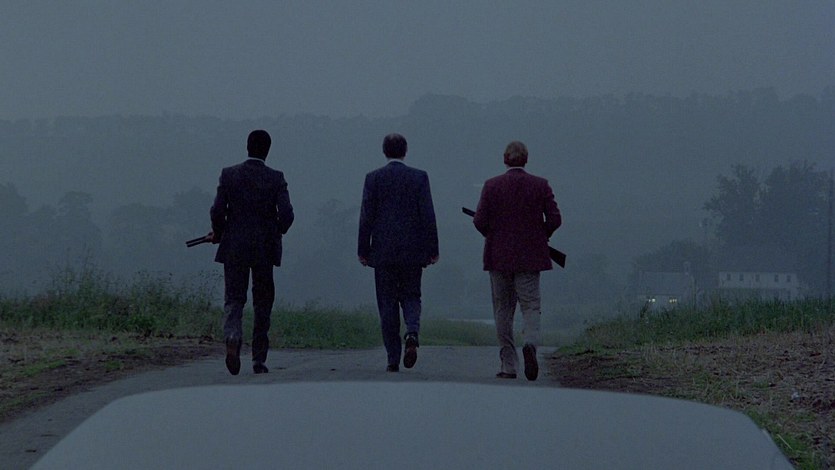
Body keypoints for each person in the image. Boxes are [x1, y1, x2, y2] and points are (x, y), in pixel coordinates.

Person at [473, 141, 561, 381]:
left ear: (505, 159)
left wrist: (494, 236)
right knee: (530, 306)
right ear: (526, 159)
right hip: (531, 257)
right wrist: (541, 237)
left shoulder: (491, 185)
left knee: (503, 310)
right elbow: (555, 219)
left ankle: (509, 365)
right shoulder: (540, 185)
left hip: (498, 257)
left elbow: (479, 221)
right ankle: (530, 342)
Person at [209, 129, 294, 375]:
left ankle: (233, 337)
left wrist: (219, 232)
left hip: (234, 246)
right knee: (263, 302)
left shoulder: (229, 174)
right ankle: (258, 358)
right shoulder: (276, 178)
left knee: (234, 299)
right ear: (268, 150)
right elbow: (287, 215)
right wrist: (275, 230)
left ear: (247, 147)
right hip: (265, 249)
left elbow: (217, 211)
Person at [358, 133, 439, 372]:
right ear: (405, 151)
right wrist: (432, 248)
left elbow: (366, 217)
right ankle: (412, 331)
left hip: (383, 251)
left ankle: (392, 358)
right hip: (413, 251)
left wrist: (363, 249)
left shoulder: (373, 178)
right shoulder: (419, 177)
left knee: (387, 303)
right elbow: (428, 215)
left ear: (384, 151)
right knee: (412, 295)